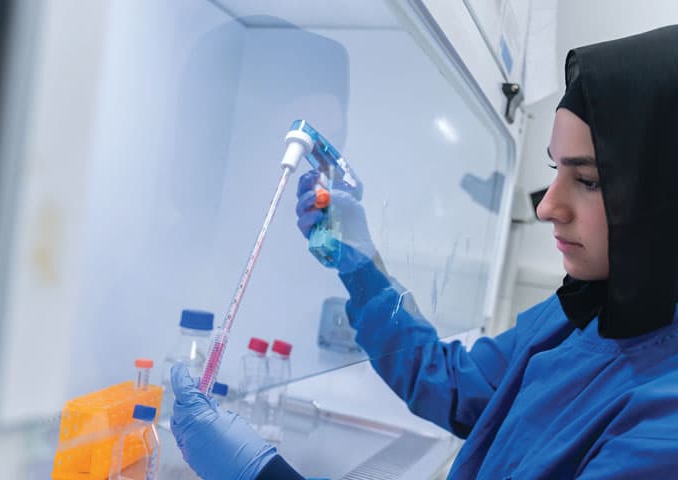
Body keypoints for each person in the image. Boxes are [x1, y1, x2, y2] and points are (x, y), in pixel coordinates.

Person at [169, 25, 678, 479]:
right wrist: (361, 264)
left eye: (588, 179)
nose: (547, 207)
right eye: (555, 169)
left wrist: (261, 474)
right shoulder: (581, 314)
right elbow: (453, 384)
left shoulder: (664, 422)